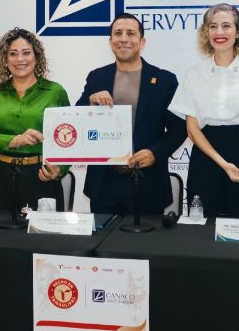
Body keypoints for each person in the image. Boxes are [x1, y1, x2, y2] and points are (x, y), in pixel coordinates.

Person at [169, 3, 239, 219]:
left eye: (226, 26)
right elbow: (192, 129)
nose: (219, 32)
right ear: (206, 33)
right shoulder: (194, 73)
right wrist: (223, 164)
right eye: (213, 26)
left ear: (238, 32)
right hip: (206, 157)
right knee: (203, 229)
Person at [76, 13, 187, 215]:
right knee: (102, 236)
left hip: (148, 182)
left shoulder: (164, 80)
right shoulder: (96, 77)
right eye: (118, 33)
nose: (124, 39)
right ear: (110, 41)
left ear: (142, 41)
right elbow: (77, 121)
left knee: (147, 237)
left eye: (131, 33)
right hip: (103, 184)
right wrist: (91, 101)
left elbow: (179, 128)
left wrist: (155, 153)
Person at [0, 28, 69, 211]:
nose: (20, 59)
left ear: (36, 57)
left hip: (40, 176)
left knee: (40, 230)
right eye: (13, 54)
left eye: (26, 53)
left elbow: (69, 139)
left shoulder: (55, 92)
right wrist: (14, 140)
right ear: (5, 59)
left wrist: (60, 169)